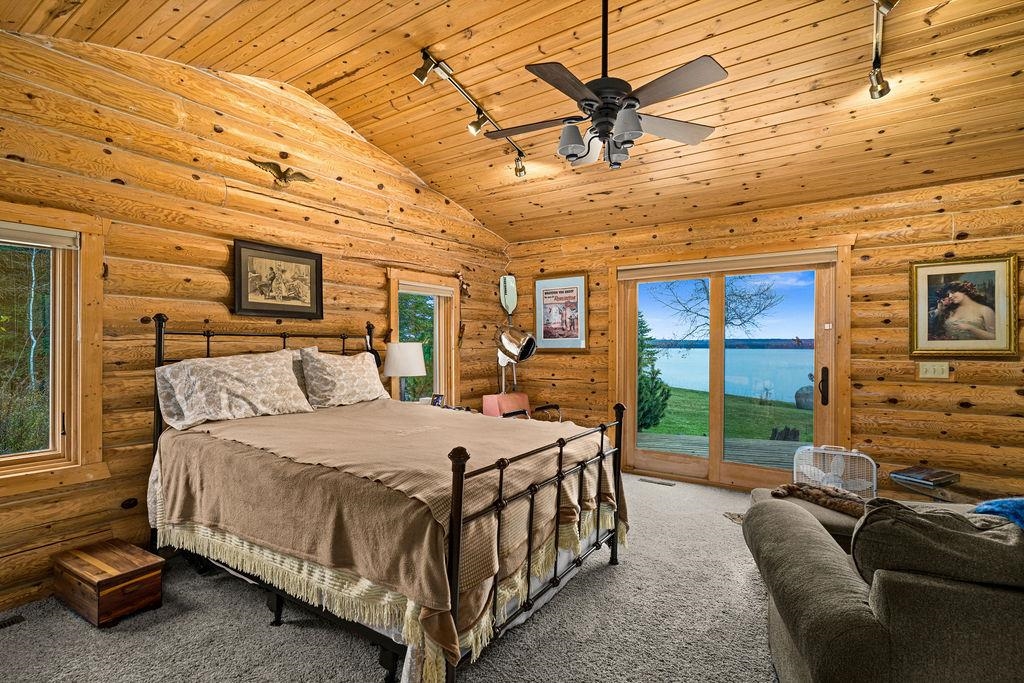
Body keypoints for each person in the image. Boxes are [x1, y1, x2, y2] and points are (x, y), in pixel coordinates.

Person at [928, 280, 996, 340]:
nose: (950, 296)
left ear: (964, 292)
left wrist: (971, 328)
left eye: (953, 292)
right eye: (948, 294)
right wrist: (940, 311)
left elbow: (994, 337)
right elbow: (935, 329)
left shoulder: (985, 310)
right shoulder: (951, 309)